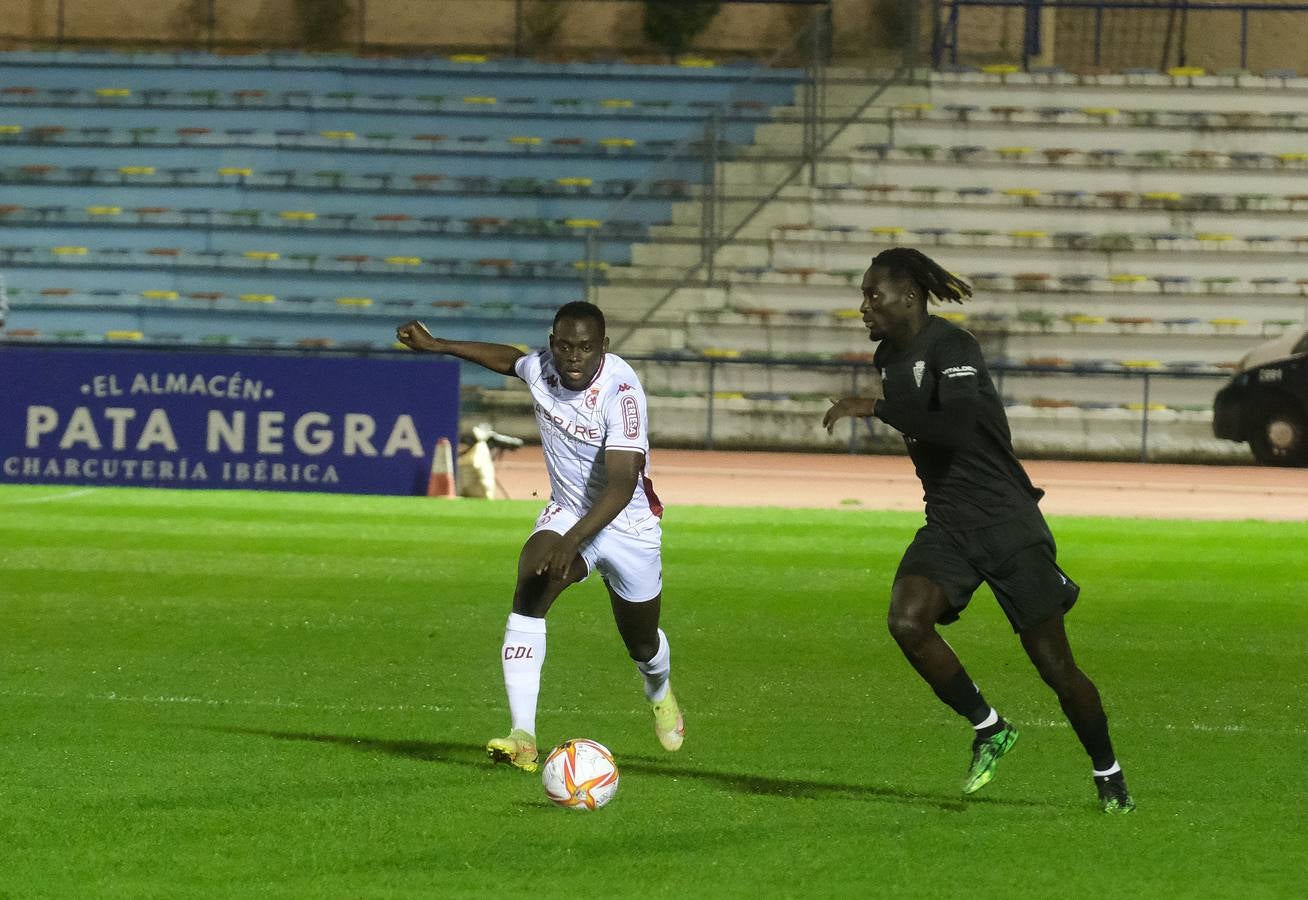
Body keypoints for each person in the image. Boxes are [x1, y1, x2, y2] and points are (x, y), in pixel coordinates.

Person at [822, 247, 1134, 813]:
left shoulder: (953, 346)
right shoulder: (888, 355)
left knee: (1057, 670)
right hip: (948, 524)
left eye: (873, 294)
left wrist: (876, 408)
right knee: (906, 621)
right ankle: (990, 727)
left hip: (1007, 522)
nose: (863, 306)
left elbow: (960, 427)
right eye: (863, 295)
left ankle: (1108, 774)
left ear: (908, 296)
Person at [396, 301, 684, 772]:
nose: (574, 358)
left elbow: (621, 485)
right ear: (553, 345)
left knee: (643, 643)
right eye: (565, 346)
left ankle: (660, 692)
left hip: (628, 526)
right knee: (530, 581)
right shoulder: (544, 368)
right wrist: (438, 344)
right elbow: (509, 359)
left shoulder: (623, 393)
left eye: (586, 348)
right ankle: (523, 736)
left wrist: (571, 543)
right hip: (568, 511)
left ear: (603, 348)